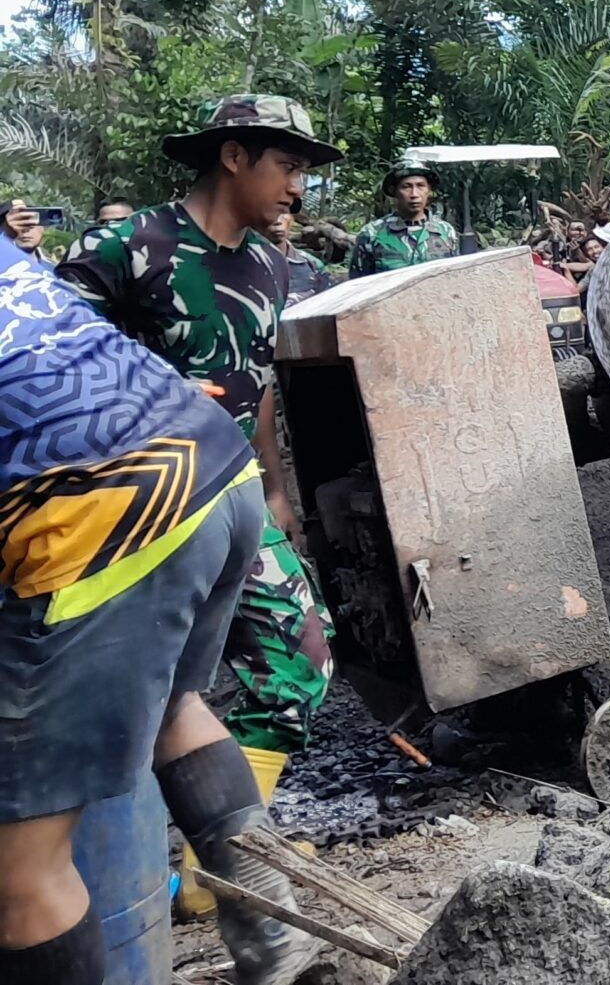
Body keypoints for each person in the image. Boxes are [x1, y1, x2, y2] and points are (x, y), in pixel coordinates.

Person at [55, 95, 343, 949]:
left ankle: (215, 863)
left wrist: (276, 491)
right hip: (128, 513)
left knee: (301, 658)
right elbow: (40, 366)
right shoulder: (124, 249)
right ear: (233, 156)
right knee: (146, 698)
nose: (298, 186)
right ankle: (170, 879)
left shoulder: (270, 268)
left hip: (231, 499)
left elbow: (256, 391)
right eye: (287, 165)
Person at [0, 235, 325, 985]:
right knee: (170, 704)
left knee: (20, 868)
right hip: (208, 466)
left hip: (103, 512)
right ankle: (276, 939)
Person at [348, 162, 458, 277]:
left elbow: (455, 276)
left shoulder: (445, 231)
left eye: (420, 186)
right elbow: (358, 283)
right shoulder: (373, 234)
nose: (414, 194)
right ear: (394, 191)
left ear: (429, 190)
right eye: (406, 187)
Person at [265, 208, 331, 305]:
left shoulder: (312, 266)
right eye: (269, 213)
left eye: (283, 213)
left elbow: (328, 308)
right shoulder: (242, 265)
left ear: (291, 219)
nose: (278, 221)